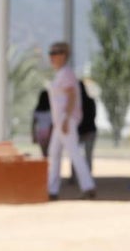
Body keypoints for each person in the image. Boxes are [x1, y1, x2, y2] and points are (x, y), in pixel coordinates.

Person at [46, 41, 96, 199]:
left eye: (55, 53)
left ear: (63, 55)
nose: (52, 57)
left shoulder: (66, 73)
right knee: (54, 153)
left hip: (65, 120)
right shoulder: (61, 74)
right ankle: (52, 190)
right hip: (60, 121)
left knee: (73, 152)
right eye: (51, 53)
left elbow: (72, 97)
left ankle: (87, 186)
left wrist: (67, 118)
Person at [31, 89, 52, 157]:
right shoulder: (51, 110)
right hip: (49, 131)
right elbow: (52, 123)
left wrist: (33, 135)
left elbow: (33, 124)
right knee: (49, 152)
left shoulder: (37, 110)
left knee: (44, 153)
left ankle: (45, 165)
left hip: (40, 132)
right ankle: (48, 166)